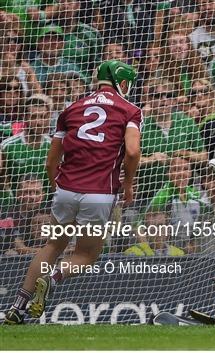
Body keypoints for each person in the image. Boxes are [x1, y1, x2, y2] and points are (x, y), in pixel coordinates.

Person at [3, 60, 142, 325]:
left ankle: (17, 305)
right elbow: (133, 152)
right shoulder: (129, 110)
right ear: (122, 83)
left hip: (66, 189)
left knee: (53, 245)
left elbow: (51, 161)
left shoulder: (70, 109)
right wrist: (128, 184)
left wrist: (57, 186)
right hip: (100, 192)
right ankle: (53, 278)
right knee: (87, 254)